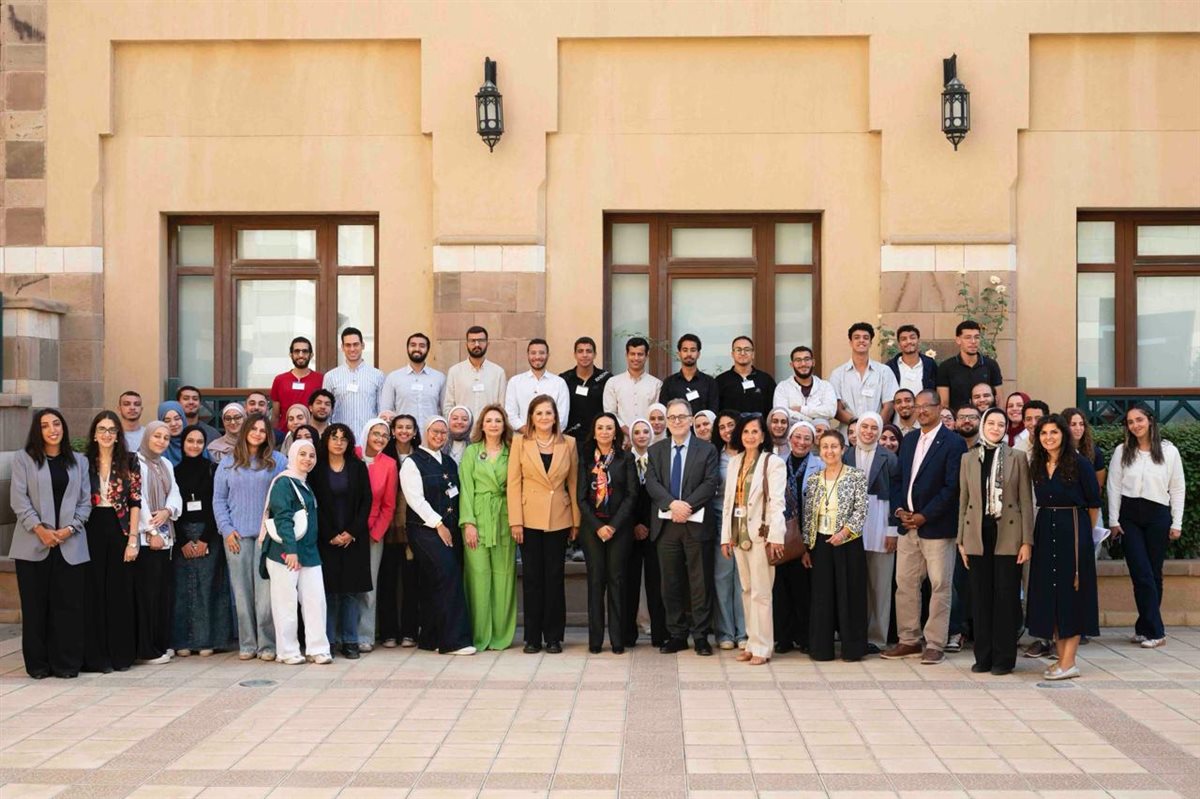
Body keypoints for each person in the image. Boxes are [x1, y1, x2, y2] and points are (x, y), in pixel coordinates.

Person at [883, 389, 968, 666]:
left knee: (940, 585)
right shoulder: (909, 440)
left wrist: (924, 516)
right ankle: (909, 639)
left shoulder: (953, 443)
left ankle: (935, 643)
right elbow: (898, 480)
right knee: (905, 584)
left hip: (937, 528)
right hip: (907, 526)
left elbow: (952, 487)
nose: (920, 410)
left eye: (926, 406)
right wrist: (899, 510)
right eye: (916, 406)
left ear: (939, 407)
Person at [10, 409, 92, 679]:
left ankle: (66, 664)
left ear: (63, 427)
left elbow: (85, 502)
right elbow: (19, 500)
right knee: (35, 608)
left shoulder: (79, 461)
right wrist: (40, 530)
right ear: (38, 431)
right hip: (33, 544)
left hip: (71, 544)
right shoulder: (23, 459)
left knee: (68, 607)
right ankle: (38, 665)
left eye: (56, 424)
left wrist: (69, 529)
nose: (52, 430)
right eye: (45, 426)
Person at [957, 407, 1034, 675]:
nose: (995, 428)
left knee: (1006, 598)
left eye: (1001, 424)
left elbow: (1026, 501)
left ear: (1005, 429)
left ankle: (1004, 659)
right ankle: (983, 657)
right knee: (980, 599)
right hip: (977, 535)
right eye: (991, 423)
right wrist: (961, 541)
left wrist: (1027, 541)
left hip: (1009, 536)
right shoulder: (968, 458)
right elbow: (963, 501)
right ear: (983, 425)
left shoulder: (1017, 457)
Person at [1026, 415, 1101, 680]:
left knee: (1072, 595)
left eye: (1054, 432)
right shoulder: (1038, 464)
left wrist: (1084, 536)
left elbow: (1094, 504)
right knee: (1051, 595)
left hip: (1074, 531)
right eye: (1043, 433)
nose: (1048, 437)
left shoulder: (1080, 463)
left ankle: (1069, 663)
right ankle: (1061, 659)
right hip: (1046, 529)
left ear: (1064, 435)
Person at [645, 398, 720, 656]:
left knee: (700, 583)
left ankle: (701, 636)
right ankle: (677, 634)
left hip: (696, 525)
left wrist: (686, 506)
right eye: (672, 417)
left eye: (681, 417)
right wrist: (672, 504)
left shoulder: (707, 450)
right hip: (667, 526)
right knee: (671, 583)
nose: (676, 421)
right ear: (666, 422)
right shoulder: (656, 450)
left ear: (690, 420)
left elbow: (710, 482)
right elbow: (652, 483)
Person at [1107, 405, 1186, 650]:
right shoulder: (1122, 451)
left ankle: (1145, 627)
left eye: (1139, 419)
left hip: (1158, 515)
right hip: (1130, 516)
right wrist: (1114, 520)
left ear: (1150, 420)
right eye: (1130, 422)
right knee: (1141, 572)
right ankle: (1157, 631)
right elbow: (1113, 486)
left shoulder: (1169, 451)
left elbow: (1177, 487)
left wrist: (1177, 522)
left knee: (1153, 573)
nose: (1135, 425)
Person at [508, 395, 580, 653]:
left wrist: (576, 521)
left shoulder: (568, 443)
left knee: (554, 578)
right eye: (538, 413)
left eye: (548, 413)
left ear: (555, 417)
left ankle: (553, 637)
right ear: (531, 417)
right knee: (532, 579)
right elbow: (513, 483)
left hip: (559, 518)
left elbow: (573, 483)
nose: (544, 418)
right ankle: (532, 638)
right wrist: (515, 521)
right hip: (528, 518)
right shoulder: (520, 442)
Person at [400, 416, 476, 655]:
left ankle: (430, 637)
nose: (439, 436)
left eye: (443, 433)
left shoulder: (449, 462)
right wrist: (438, 524)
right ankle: (454, 641)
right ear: (425, 432)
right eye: (435, 431)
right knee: (447, 574)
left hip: (450, 530)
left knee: (434, 581)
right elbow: (415, 499)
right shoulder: (412, 462)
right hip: (425, 530)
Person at [214, 413, 286, 661]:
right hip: (236, 536)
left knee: (265, 596)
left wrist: (277, 530)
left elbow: (285, 496)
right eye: (253, 429)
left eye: (262, 430)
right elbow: (219, 499)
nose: (257, 433)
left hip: (267, 537)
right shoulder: (228, 462)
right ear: (245, 431)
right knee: (242, 593)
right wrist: (226, 529)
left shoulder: (278, 461)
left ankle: (267, 644)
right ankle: (247, 643)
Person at [718, 414, 787, 665]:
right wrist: (726, 536)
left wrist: (776, 537)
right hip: (739, 533)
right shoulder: (735, 461)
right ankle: (751, 641)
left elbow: (777, 502)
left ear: (763, 436)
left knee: (761, 593)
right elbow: (729, 502)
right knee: (747, 590)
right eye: (745, 432)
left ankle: (763, 647)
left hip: (762, 534)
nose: (750, 436)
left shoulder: (773, 462)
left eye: (755, 432)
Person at [261, 439, 333, 665]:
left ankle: (317, 648)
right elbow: (282, 517)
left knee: (315, 601)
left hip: (308, 552)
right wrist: (290, 550)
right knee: (286, 603)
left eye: (311, 455)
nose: (307, 459)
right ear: (292, 455)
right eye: (302, 454)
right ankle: (287, 651)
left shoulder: (303, 483)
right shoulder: (284, 482)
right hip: (285, 553)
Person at [83, 411, 141, 673]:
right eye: (102, 429)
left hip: (120, 529)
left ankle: (120, 655)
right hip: (90, 527)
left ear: (118, 435)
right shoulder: (84, 462)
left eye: (111, 430)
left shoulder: (130, 460)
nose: (106, 434)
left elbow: (135, 501)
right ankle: (97, 657)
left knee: (119, 592)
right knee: (93, 591)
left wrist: (133, 539)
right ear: (94, 434)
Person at [804, 429, 870, 662]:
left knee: (850, 594)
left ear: (843, 449)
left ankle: (853, 649)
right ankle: (821, 649)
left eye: (834, 446)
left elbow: (861, 509)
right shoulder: (814, 479)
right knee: (822, 597)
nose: (829, 451)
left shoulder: (856, 476)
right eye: (824, 447)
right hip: (820, 543)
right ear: (819, 451)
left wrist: (844, 533)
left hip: (848, 542)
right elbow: (808, 515)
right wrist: (806, 547)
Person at [574, 412, 637, 654]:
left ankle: (618, 639)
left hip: (619, 528)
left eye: (609, 428)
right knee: (596, 580)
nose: (604, 432)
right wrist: (598, 526)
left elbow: (631, 495)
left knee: (617, 580)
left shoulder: (625, 458)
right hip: (593, 528)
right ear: (594, 432)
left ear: (615, 432)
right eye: (600, 427)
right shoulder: (586, 458)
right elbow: (581, 497)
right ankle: (595, 640)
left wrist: (614, 526)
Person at [310, 423, 373, 659]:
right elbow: (313, 504)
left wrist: (351, 532)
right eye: (334, 437)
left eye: (343, 439)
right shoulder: (316, 469)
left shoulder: (358, 467)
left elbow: (366, 501)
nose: (338, 442)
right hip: (326, 539)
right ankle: (328, 641)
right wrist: (330, 534)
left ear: (349, 443)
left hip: (353, 540)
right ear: (326, 441)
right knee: (328, 592)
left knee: (350, 592)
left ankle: (350, 640)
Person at [171, 425, 234, 658]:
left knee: (208, 587)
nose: (195, 446)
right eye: (190, 441)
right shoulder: (174, 471)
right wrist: (183, 541)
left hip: (209, 533)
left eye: (199, 442)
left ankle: (208, 639)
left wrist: (205, 538)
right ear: (183, 443)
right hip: (183, 534)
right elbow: (173, 507)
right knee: (183, 588)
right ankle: (183, 641)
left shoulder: (213, 470)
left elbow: (217, 503)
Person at [458, 404, 517, 651]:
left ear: (504, 426)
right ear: (481, 425)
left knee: (504, 576)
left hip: (504, 518)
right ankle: (480, 634)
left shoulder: (512, 452)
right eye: (489, 420)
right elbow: (465, 489)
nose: (493, 425)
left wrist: (516, 521)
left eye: (498, 421)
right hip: (477, 518)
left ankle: (501, 634)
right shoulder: (472, 452)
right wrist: (468, 523)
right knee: (478, 576)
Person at [844, 412, 900, 655]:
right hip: (852, 524)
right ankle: (856, 634)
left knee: (880, 585)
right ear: (857, 430)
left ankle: (877, 637)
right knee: (855, 584)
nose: (868, 431)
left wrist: (892, 530)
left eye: (873, 428)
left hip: (880, 522)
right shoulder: (846, 455)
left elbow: (896, 494)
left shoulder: (890, 458)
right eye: (864, 426)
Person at [135, 422, 182, 664]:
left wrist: (167, 510)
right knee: (148, 596)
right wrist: (151, 529)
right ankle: (147, 649)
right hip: (146, 538)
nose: (161, 441)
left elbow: (175, 492)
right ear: (147, 437)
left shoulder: (166, 464)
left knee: (163, 594)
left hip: (165, 537)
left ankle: (161, 643)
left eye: (165, 438)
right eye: (157, 436)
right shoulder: (136, 462)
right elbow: (138, 499)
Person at [774, 421, 820, 654]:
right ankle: (783, 637)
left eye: (807, 438)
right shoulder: (778, 463)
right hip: (782, 534)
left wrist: (808, 546)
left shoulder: (820, 465)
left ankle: (805, 637)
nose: (801, 442)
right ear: (790, 439)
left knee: (804, 590)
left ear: (813, 442)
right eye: (797, 437)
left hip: (807, 535)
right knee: (781, 588)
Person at [623, 418, 668, 649]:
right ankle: (627, 635)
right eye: (637, 432)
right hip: (629, 531)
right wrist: (634, 525)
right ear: (631, 436)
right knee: (629, 584)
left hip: (655, 530)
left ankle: (660, 634)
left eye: (645, 432)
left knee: (656, 584)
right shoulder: (624, 460)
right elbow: (623, 497)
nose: (641, 436)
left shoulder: (658, 459)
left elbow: (660, 495)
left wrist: (649, 525)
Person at [354, 418, 398, 653]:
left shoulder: (389, 464)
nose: (380, 438)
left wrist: (376, 533)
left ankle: (365, 635)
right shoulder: (352, 454)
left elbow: (389, 505)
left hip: (372, 533)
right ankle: (344, 634)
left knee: (368, 587)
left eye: (384, 435)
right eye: (376, 433)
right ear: (366, 433)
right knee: (346, 585)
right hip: (347, 531)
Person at [379, 414, 421, 648]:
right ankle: (388, 632)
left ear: (414, 432)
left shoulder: (421, 455)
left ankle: (409, 631)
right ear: (393, 431)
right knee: (388, 580)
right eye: (400, 427)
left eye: (409, 427)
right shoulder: (384, 455)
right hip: (388, 527)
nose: (404, 431)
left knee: (411, 581)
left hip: (413, 526)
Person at [712, 410, 748, 650]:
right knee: (723, 576)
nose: (727, 430)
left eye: (731, 425)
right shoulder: (714, 456)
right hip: (720, 519)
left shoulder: (752, 454)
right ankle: (725, 632)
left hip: (747, 521)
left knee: (744, 577)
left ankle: (744, 632)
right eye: (722, 427)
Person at [829, 323, 898, 426]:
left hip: (876, 433)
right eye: (857, 337)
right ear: (850, 343)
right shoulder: (837, 374)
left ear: (870, 343)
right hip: (847, 433)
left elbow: (889, 406)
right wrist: (857, 426)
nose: (861, 340)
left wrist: (874, 427)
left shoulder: (884, 371)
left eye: (866, 338)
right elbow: (837, 408)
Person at [379, 332, 446, 432]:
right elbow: (385, 411)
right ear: (407, 348)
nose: (417, 349)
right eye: (413, 345)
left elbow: (445, 411)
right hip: (403, 436)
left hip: (431, 436)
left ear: (428, 349)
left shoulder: (439, 378)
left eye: (422, 346)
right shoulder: (393, 378)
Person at [323, 327, 385, 435]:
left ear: (363, 345)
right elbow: (326, 411)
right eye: (348, 345)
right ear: (342, 347)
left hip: (368, 438)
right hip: (340, 438)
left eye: (356, 344)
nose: (352, 349)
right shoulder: (330, 377)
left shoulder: (377, 375)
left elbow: (381, 410)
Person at [505, 338, 571, 434]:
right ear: (528, 355)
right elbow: (511, 414)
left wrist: (544, 434)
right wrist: (529, 432)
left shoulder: (559, 383)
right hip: (523, 437)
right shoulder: (515, 382)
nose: (537, 356)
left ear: (548, 355)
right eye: (533, 353)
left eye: (541, 353)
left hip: (551, 439)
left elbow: (562, 417)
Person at [936, 320, 1003, 412]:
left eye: (977, 337)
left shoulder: (991, 365)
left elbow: (999, 400)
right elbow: (944, 404)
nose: (973, 341)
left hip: (986, 418)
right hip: (958, 419)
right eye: (968, 338)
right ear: (958, 340)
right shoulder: (946, 367)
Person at [444, 325, 507, 420]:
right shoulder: (455, 371)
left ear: (487, 344)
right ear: (466, 344)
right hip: (463, 428)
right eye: (472, 341)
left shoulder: (498, 372)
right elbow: (448, 406)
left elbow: (502, 407)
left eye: (481, 340)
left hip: (488, 428)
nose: (477, 344)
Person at [602, 337, 662, 435]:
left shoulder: (656, 384)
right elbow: (610, 413)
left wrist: (641, 434)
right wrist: (629, 432)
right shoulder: (613, 383)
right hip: (621, 439)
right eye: (632, 354)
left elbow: (656, 415)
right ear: (626, 355)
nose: (636, 358)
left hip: (648, 439)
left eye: (640, 354)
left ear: (647, 356)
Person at [270, 336, 324, 437]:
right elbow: (275, 415)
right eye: (297, 351)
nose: (301, 355)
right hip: (284, 435)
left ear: (311, 355)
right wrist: (273, 437)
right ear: (291, 354)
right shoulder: (280, 380)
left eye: (305, 351)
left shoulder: (321, 379)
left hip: (311, 435)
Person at [560, 336, 611, 439]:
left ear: (595, 354)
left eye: (588, 351)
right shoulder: (564, 379)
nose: (584, 355)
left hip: (599, 437)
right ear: (575, 355)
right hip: (570, 437)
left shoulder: (606, 378)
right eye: (580, 351)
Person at [773, 345, 838, 426]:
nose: (803, 364)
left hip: (820, 433)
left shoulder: (825, 386)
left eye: (807, 359)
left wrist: (802, 409)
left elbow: (830, 412)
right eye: (798, 360)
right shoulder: (783, 387)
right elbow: (782, 413)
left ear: (813, 362)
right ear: (792, 365)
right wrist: (810, 420)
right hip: (792, 433)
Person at [659, 334, 720, 415]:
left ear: (698, 354)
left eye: (693, 350)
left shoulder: (709, 382)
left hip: (703, 423)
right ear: (679, 354)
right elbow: (664, 411)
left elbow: (713, 411)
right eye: (685, 350)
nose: (689, 354)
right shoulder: (669, 383)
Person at [716, 336, 776, 417]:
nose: (743, 353)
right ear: (732, 354)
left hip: (759, 425)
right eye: (738, 350)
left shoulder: (766, 380)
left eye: (747, 350)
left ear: (753, 354)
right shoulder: (721, 381)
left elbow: (773, 411)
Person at [886, 324, 939, 394]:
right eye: (904, 339)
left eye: (912, 338)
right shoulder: (890, 367)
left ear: (918, 340)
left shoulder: (930, 364)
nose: (909, 342)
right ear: (899, 344)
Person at [1064, 407, 1107, 487]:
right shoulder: (1057, 452)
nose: (1078, 428)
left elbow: (1098, 485)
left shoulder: (1095, 452)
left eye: (1081, 424)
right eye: (1073, 424)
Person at [158, 400, 187, 465]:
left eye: (177, 418)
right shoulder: (154, 445)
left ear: (183, 419)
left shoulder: (195, 442)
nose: (173, 424)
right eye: (167, 421)